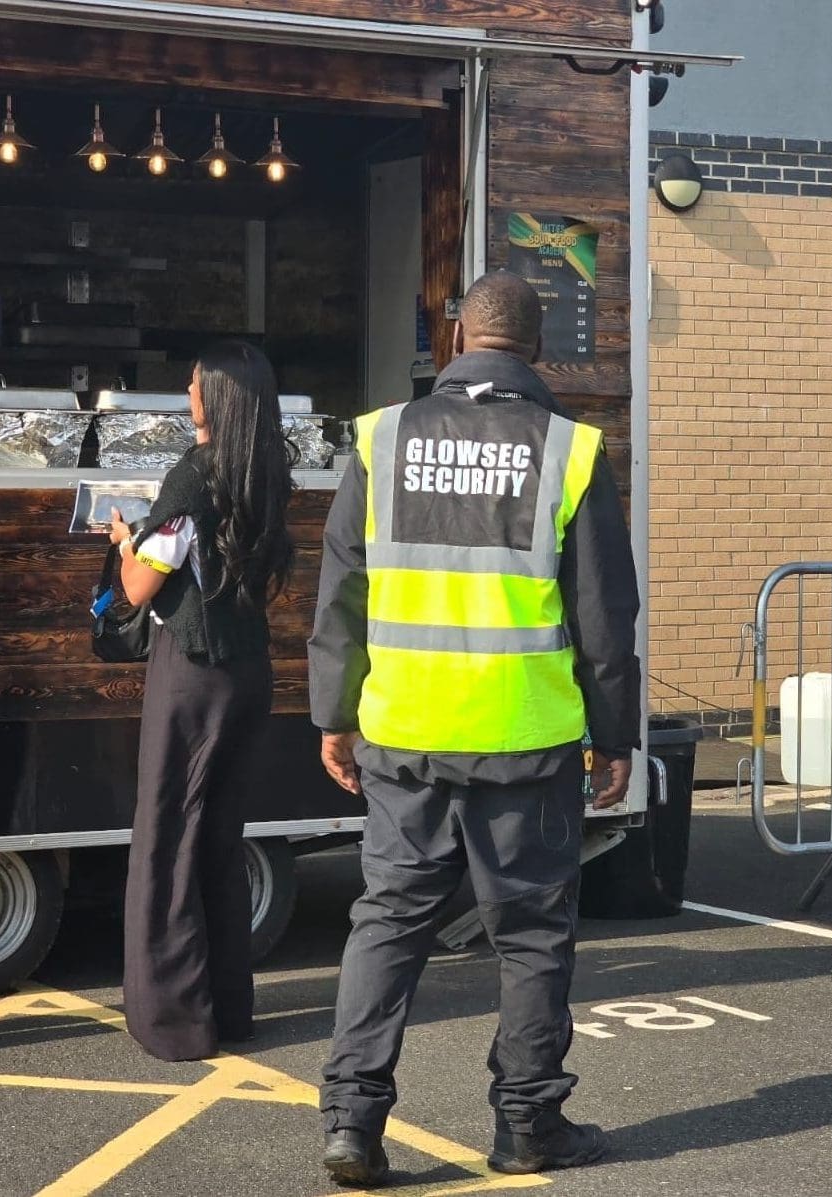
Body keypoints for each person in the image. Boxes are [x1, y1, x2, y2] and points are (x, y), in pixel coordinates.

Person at [308, 270, 641, 1187]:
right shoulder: (570, 451)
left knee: (386, 923)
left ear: (457, 339)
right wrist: (614, 736)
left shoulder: (381, 438)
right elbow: (607, 613)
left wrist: (334, 715)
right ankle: (527, 1123)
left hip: (404, 729)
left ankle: (351, 1124)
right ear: (537, 349)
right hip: (523, 737)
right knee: (530, 935)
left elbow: (341, 592)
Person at [109, 340, 295, 1061]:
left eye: (192, 385)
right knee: (217, 841)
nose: (185, 393)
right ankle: (227, 1007)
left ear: (212, 399)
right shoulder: (266, 469)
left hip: (192, 673)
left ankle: (175, 1020)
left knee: (167, 838)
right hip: (249, 671)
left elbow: (138, 589)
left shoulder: (189, 478)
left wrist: (126, 542)